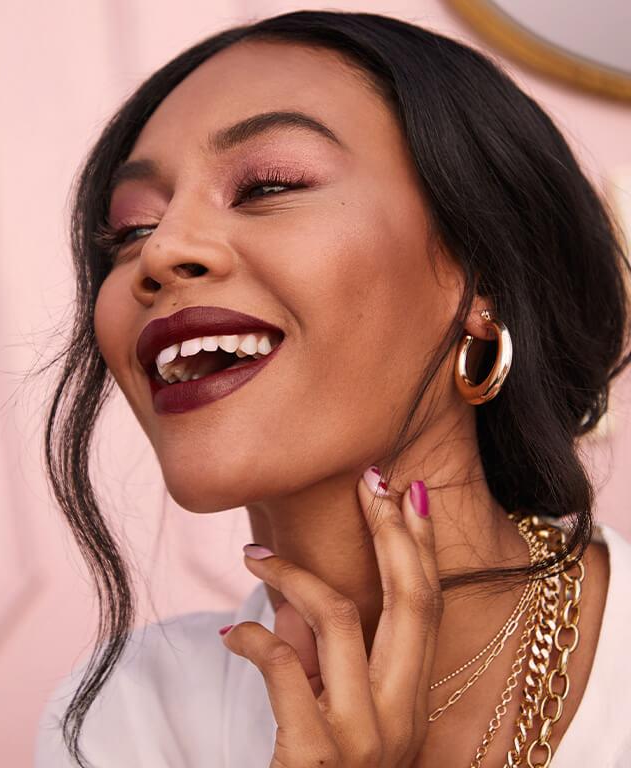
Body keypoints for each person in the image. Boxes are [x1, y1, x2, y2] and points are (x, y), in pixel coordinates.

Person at [33, 10, 631, 768]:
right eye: (130, 229)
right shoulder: (133, 716)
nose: (162, 251)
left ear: (481, 277)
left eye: (267, 185)